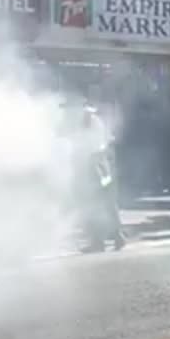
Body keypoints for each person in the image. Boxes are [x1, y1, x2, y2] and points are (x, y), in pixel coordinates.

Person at [68, 99, 126, 252]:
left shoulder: (90, 125)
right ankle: (115, 236)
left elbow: (86, 148)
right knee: (106, 203)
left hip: (96, 166)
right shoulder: (97, 123)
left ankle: (99, 240)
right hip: (103, 166)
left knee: (95, 203)